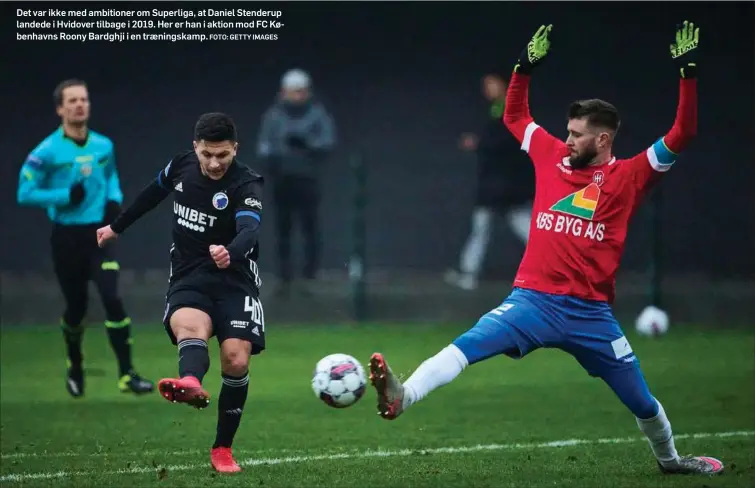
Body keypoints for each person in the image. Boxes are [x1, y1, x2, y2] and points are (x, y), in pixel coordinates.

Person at [369, 22, 724, 475]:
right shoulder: (550, 154)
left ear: (603, 139)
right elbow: (515, 116)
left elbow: (684, 132)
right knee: (465, 347)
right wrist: (523, 68)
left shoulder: (631, 175)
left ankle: (671, 461)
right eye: (568, 131)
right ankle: (403, 396)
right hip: (532, 301)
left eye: (577, 133)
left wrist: (688, 75)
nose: (568, 138)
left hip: (591, 315)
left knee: (642, 401)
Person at [96, 112, 265, 473]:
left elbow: (249, 230)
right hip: (189, 275)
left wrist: (230, 251)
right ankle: (190, 381)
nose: (215, 162)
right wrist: (116, 227)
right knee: (189, 326)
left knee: (236, 359)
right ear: (195, 148)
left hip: (235, 279)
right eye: (207, 154)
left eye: (223, 154)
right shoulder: (181, 167)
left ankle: (222, 449)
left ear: (235, 149)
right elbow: (150, 196)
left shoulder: (246, 184)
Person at [16, 79, 154, 398]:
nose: (80, 105)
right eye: (73, 100)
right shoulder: (46, 151)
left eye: (84, 99)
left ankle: (126, 374)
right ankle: (75, 366)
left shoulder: (104, 146)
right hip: (66, 238)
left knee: (112, 298)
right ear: (60, 109)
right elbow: (25, 192)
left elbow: (111, 177)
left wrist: (114, 199)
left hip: (99, 234)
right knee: (77, 308)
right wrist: (64, 195)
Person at [446, 70, 535, 291]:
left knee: (528, 229)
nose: (488, 89)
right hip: (497, 184)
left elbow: (508, 142)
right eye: (485, 85)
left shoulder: (513, 107)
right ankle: (468, 274)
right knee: (483, 227)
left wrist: (479, 143)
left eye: (492, 84)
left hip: (507, 184)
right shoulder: (497, 109)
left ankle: (555, 268)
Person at [256, 68, 336, 295]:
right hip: (282, 179)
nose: (297, 96)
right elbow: (263, 147)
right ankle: (284, 274)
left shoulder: (317, 114)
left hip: (307, 178)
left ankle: (310, 272)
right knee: (283, 227)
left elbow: (328, 142)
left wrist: (307, 145)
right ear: (283, 92)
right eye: (293, 92)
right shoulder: (273, 116)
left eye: (301, 91)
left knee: (310, 226)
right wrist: (278, 156)